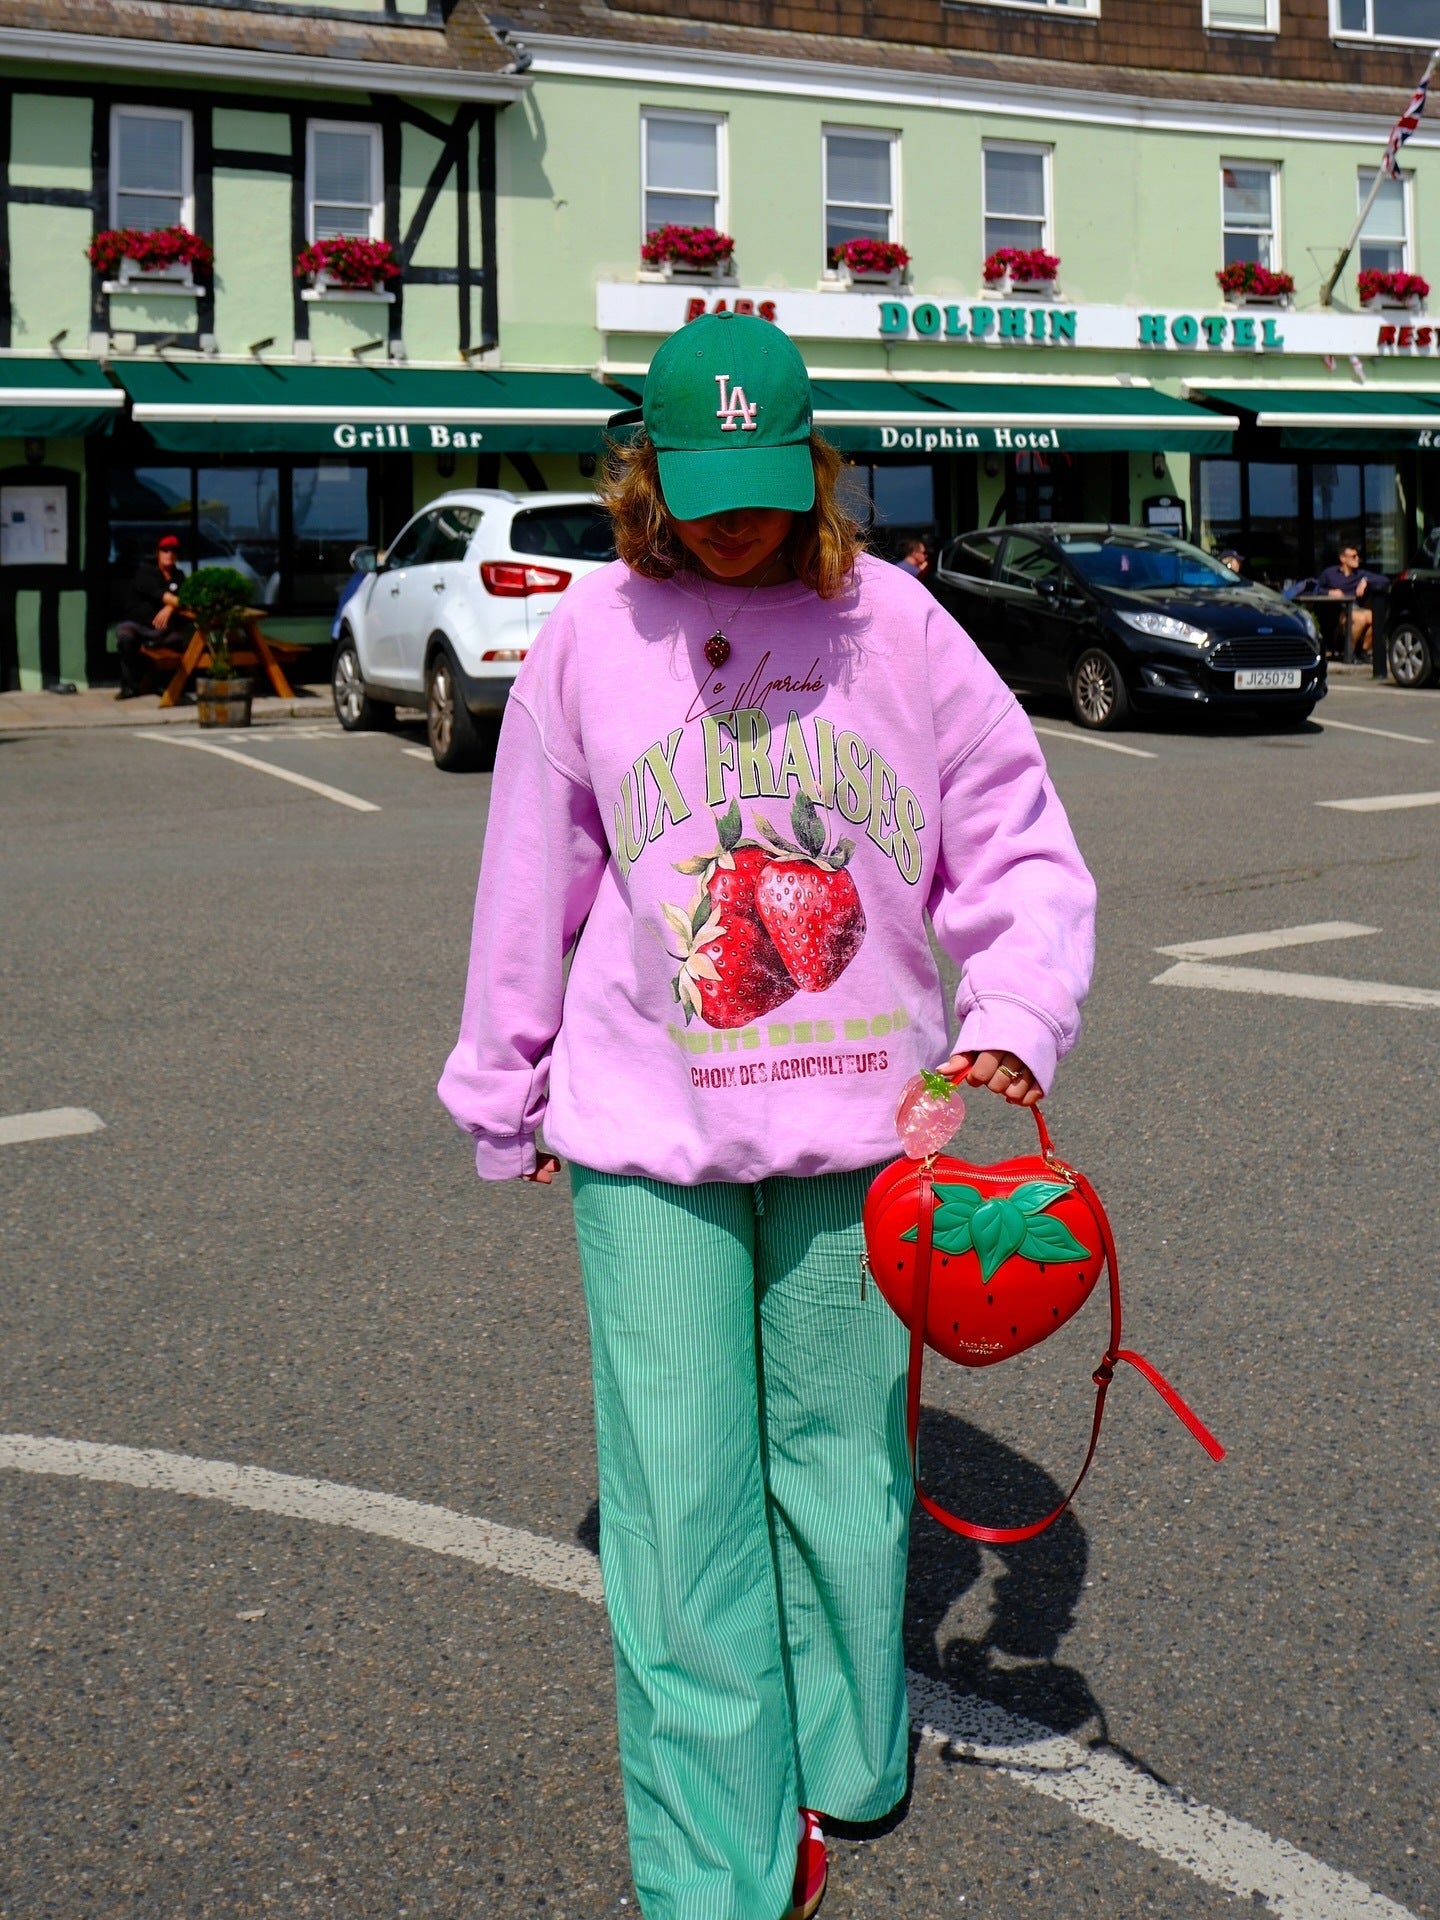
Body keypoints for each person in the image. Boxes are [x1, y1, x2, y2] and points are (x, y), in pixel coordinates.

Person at [438, 311, 1097, 1920]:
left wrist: (1012, 1018)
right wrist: (506, 1085)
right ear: (643, 476)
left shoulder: (901, 626)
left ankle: (849, 1762)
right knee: (680, 1509)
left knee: (848, 1474)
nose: (734, 521)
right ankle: (717, 1868)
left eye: (766, 486)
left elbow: (1016, 839)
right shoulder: (592, 634)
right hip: (645, 1137)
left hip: (871, 1132)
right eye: (701, 488)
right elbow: (533, 875)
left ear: (816, 470)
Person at [114, 533, 189, 699]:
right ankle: (129, 686)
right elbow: (160, 594)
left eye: (173, 551)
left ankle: (165, 685)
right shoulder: (145, 571)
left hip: (163, 629)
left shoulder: (179, 576)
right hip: (137, 624)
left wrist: (170, 608)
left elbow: (188, 596)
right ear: (158, 553)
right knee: (125, 637)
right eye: (165, 550)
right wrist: (174, 602)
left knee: (179, 640)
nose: (169, 554)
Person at [1316, 542, 1389, 659]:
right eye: (1353, 556)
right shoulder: (1330, 573)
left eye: (1358, 556)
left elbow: (1384, 580)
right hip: (1337, 612)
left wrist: (1365, 580)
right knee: (1361, 618)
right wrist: (1329, 592)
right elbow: (1315, 588)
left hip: (1355, 608)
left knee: (1375, 617)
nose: (1357, 559)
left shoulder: (1359, 574)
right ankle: (1350, 653)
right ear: (1343, 558)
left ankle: (1363, 651)